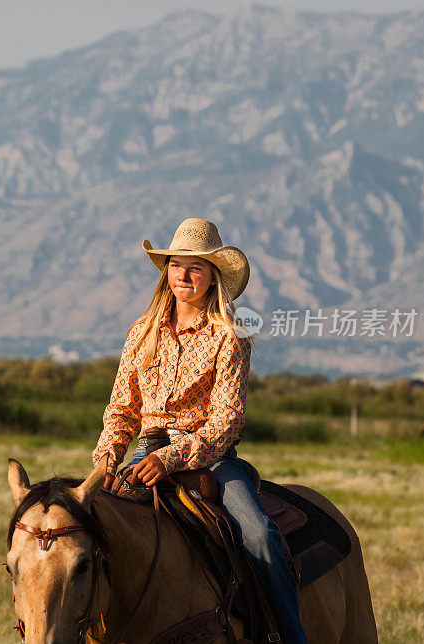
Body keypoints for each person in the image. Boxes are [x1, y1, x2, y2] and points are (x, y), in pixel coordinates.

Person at [92, 217, 307, 643]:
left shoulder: (230, 336)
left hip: (209, 458)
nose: (184, 275)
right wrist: (106, 458)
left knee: (260, 535)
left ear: (213, 277)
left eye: (196, 267)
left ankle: (287, 634)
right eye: (176, 265)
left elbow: (227, 419)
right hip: (144, 453)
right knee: (88, 532)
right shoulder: (141, 333)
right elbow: (121, 409)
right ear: (165, 270)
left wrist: (167, 458)